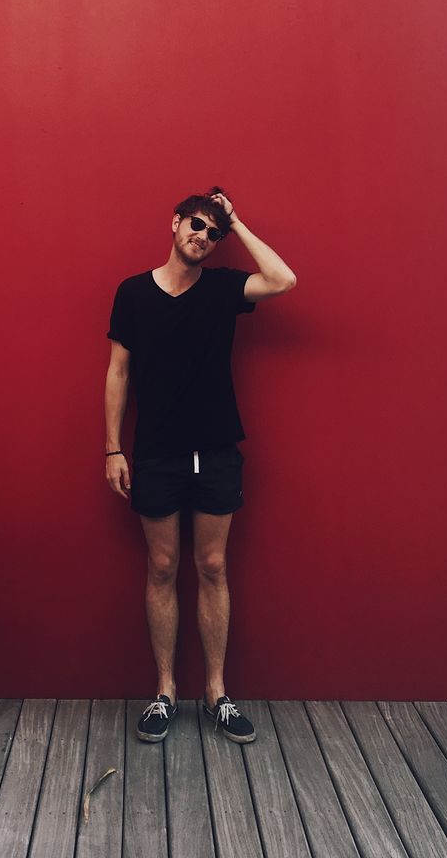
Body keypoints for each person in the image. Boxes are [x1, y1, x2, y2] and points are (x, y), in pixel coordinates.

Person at [105, 187, 296, 744]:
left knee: (212, 567)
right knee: (162, 568)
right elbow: (118, 372)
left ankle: (216, 693)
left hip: (215, 451)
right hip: (156, 453)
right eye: (196, 224)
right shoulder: (133, 293)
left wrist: (236, 221)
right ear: (173, 223)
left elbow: (284, 280)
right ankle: (165, 692)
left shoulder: (222, 289)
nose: (203, 236)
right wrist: (112, 448)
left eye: (214, 233)